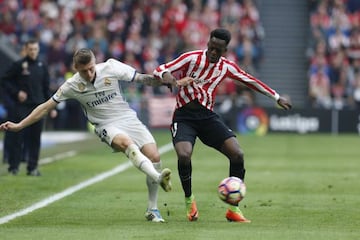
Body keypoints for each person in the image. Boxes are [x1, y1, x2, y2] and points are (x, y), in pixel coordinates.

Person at [0, 48, 173, 223]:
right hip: (105, 125)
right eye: (84, 71)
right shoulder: (71, 85)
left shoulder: (111, 67)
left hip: (128, 118)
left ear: (95, 61)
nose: (89, 73)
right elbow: (45, 107)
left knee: (155, 157)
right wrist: (20, 125)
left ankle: (152, 209)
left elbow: (142, 78)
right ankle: (158, 177)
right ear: (76, 67)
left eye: (91, 68)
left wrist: (168, 81)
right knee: (127, 143)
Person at [153, 28, 292, 223]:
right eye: (211, 47)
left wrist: (276, 97)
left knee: (237, 154)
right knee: (184, 155)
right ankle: (189, 201)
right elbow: (160, 68)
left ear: (225, 50)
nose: (213, 53)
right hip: (184, 117)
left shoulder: (227, 67)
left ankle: (233, 209)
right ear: (208, 44)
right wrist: (167, 76)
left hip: (208, 117)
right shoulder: (191, 58)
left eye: (218, 50)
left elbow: (250, 81)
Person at [0, 39, 56, 176]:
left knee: (35, 138)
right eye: (30, 49)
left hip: (39, 106)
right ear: (26, 49)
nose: (33, 52)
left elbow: (46, 88)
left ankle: (32, 168)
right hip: (22, 107)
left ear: (38, 49)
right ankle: (14, 166)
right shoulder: (19, 65)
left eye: (35, 49)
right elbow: (4, 80)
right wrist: (16, 92)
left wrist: (52, 107)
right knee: (17, 137)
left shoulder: (42, 65)